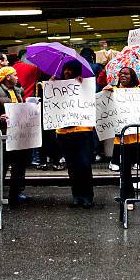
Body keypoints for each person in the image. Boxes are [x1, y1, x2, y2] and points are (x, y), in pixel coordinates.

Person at [104, 67, 140, 210]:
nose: (123, 75)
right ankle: (130, 198)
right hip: (121, 140)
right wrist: (105, 92)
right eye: (120, 73)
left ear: (132, 76)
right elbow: (103, 107)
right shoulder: (112, 90)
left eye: (126, 73)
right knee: (125, 171)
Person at [0, 67, 30, 206]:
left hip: (17, 135)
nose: (17, 77)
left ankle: (15, 193)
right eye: (14, 74)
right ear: (7, 77)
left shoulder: (19, 90)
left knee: (18, 166)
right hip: (1, 135)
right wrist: (0, 118)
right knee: (0, 165)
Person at [54, 61, 95, 208]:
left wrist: (83, 86)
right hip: (63, 132)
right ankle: (77, 196)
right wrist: (50, 87)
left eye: (70, 70)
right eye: (65, 69)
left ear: (77, 71)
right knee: (71, 166)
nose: (67, 72)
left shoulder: (85, 85)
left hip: (82, 131)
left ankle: (87, 197)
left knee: (83, 165)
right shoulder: (56, 86)